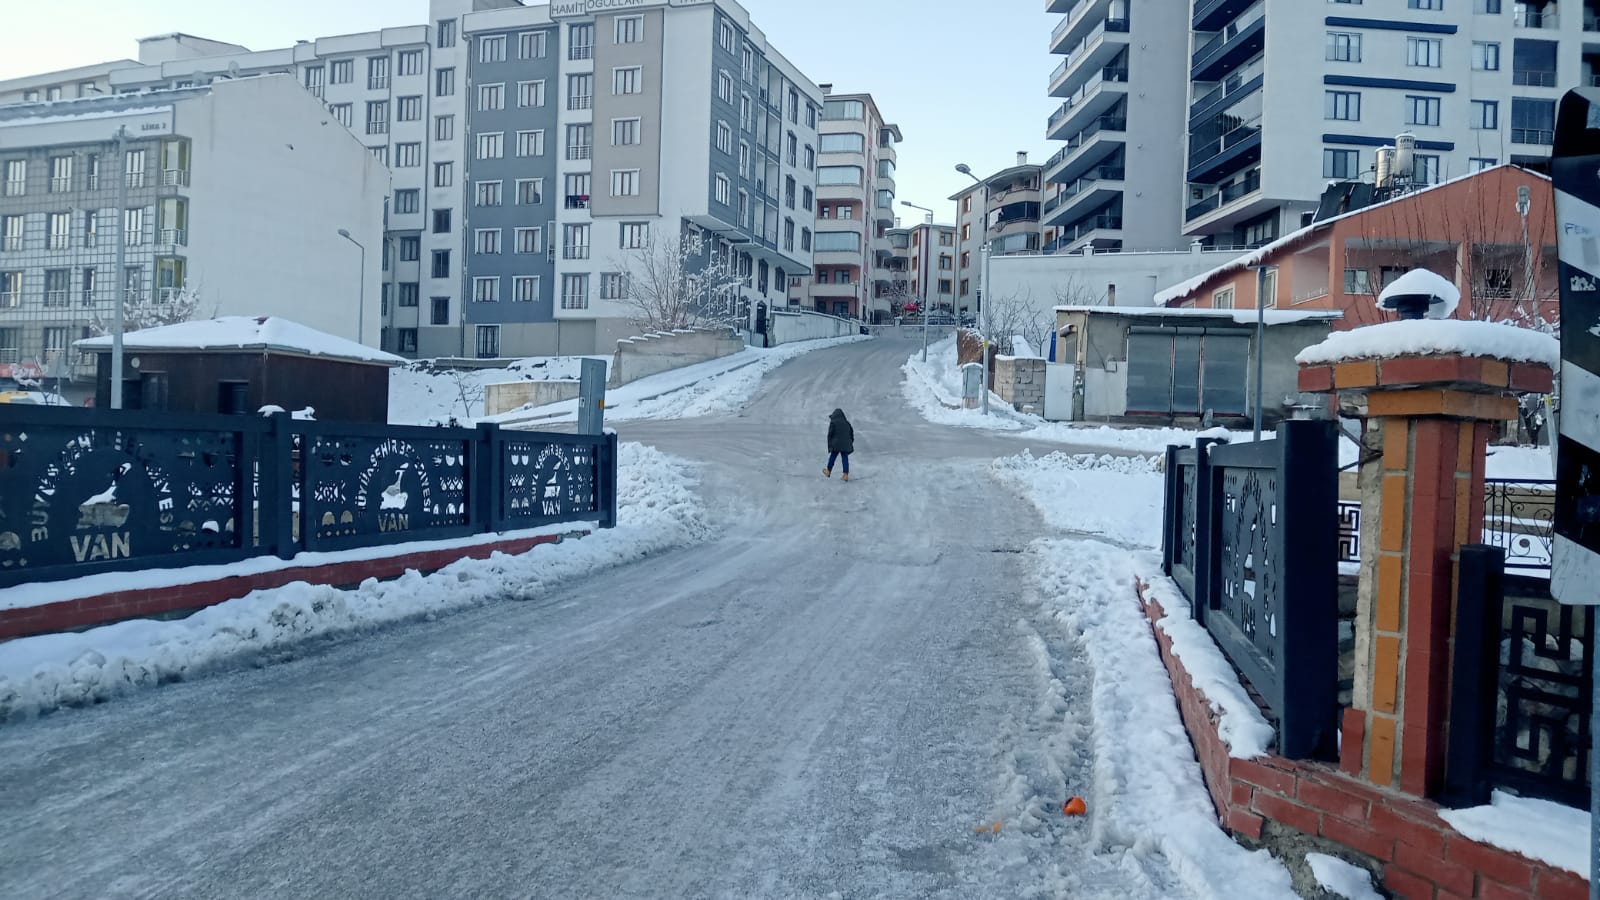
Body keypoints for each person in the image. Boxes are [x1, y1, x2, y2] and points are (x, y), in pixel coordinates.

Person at [824, 408, 854, 482]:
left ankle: (828, 471)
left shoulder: (833, 423)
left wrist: (830, 444)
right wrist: (850, 442)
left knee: (833, 456)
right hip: (845, 444)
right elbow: (851, 433)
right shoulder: (847, 423)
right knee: (845, 457)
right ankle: (845, 475)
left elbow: (830, 434)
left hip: (836, 443)